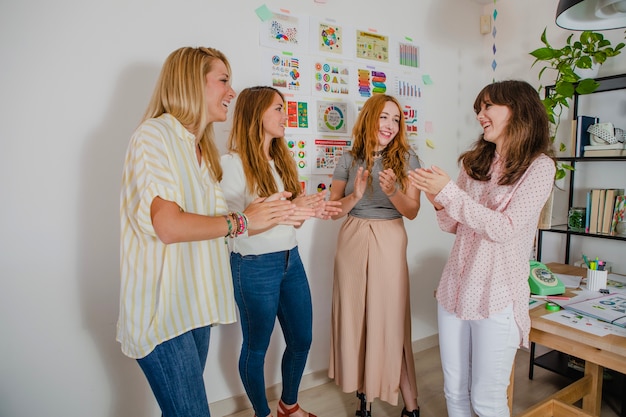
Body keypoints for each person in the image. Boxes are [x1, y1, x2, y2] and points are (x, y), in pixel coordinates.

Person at [117, 47, 299, 417]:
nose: (231, 91)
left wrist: (274, 213)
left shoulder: (202, 149)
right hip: (162, 314)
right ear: (190, 83)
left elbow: (216, 226)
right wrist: (244, 221)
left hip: (194, 307)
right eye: (223, 80)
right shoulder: (154, 137)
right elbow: (168, 225)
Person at [408, 80, 556, 417]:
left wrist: (448, 194)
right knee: (454, 393)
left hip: (497, 298)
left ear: (517, 110)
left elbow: (504, 230)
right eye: (480, 107)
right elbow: (452, 226)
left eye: (488, 106)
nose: (480, 114)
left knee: (487, 400)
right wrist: (437, 198)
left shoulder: (539, 167)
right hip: (454, 293)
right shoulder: (473, 163)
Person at [220, 86, 342, 417]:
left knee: (302, 338)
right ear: (255, 112)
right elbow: (234, 225)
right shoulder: (230, 164)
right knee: (256, 346)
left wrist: (305, 211)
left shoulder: (281, 160)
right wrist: (287, 211)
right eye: (277, 108)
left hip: (291, 259)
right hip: (253, 265)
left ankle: (289, 407)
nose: (284, 114)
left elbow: (291, 225)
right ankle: (262, 414)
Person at [328, 94, 422, 417]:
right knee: (358, 320)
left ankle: (411, 407)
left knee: (389, 321)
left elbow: (412, 211)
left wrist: (394, 191)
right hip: (352, 238)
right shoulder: (348, 158)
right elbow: (333, 209)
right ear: (369, 117)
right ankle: (363, 402)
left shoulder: (408, 159)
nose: (391, 126)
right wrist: (355, 194)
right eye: (384, 117)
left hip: (390, 239)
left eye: (396, 119)